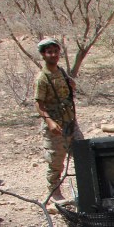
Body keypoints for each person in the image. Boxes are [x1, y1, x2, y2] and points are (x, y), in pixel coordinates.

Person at [34, 37, 83, 200]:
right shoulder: (43, 78)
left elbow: (70, 88)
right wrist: (49, 121)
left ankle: (86, 189)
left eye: (55, 51)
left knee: (83, 154)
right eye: (49, 52)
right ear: (43, 54)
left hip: (70, 122)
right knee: (56, 161)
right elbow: (39, 104)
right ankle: (54, 192)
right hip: (55, 126)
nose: (53, 54)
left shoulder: (60, 71)